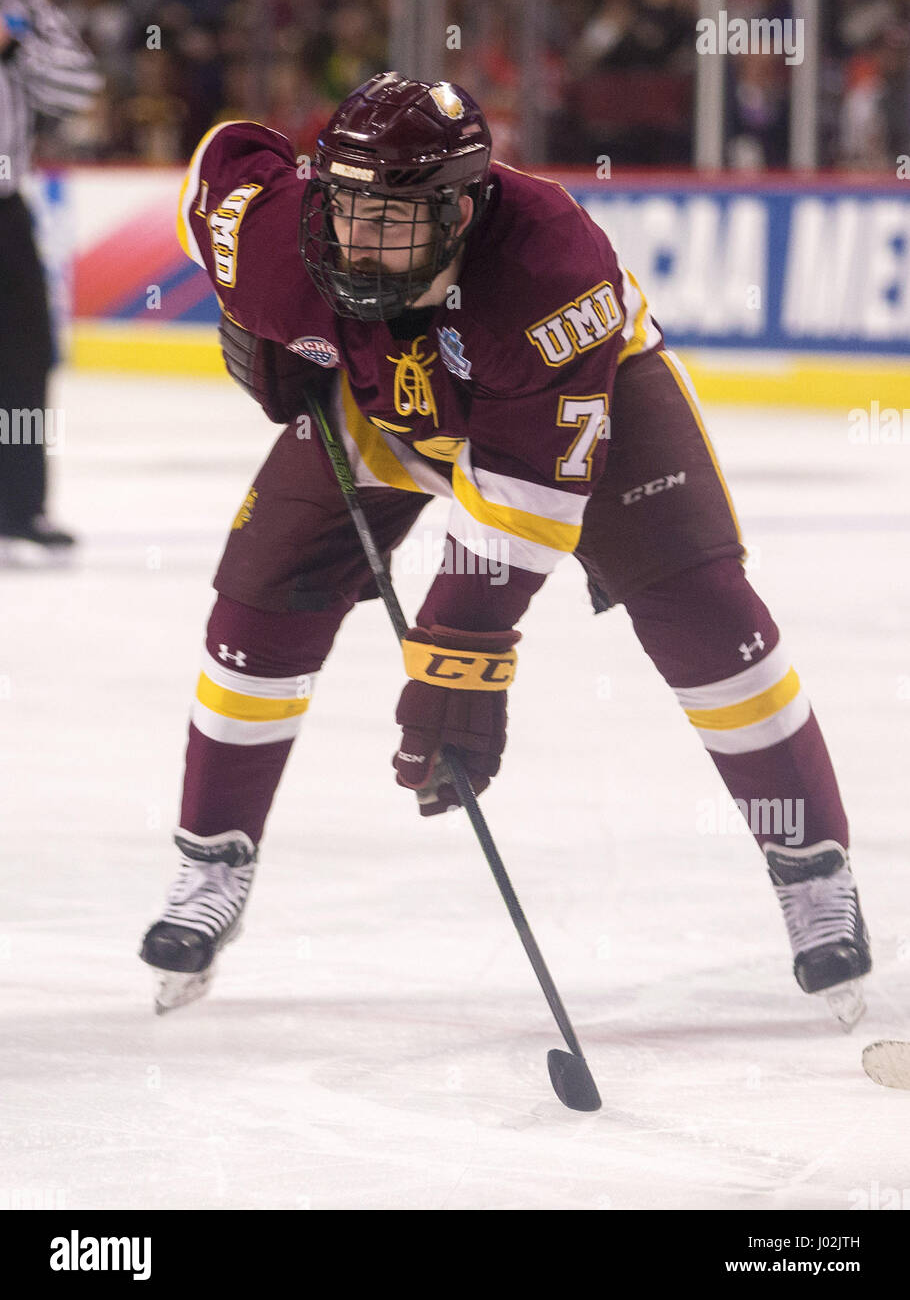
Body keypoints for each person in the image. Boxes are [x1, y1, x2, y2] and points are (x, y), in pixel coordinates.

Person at [140, 73, 871, 1027]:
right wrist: (257, 324)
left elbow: (522, 501)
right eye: (346, 208)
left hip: (585, 405)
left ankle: (811, 866)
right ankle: (212, 860)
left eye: (390, 219)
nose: (355, 240)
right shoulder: (281, 244)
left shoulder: (550, 266)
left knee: (706, 617)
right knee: (256, 610)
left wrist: (458, 660)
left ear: (460, 213)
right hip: (378, 406)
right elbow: (222, 160)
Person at [0, 0, 101, 555]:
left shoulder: (20, 2)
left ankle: (20, 508)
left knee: (24, 362)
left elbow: (80, 87)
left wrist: (14, 47)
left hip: (4, 213)